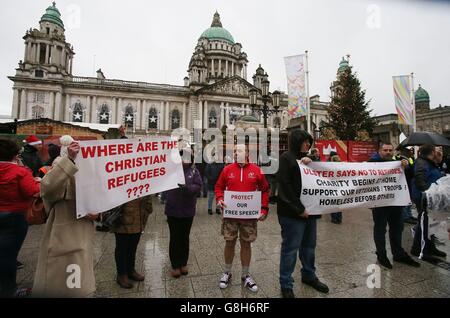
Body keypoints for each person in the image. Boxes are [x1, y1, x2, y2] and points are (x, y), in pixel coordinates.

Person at [33, 136, 98, 297]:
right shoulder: (60, 165)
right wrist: (68, 160)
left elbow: (97, 197)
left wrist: (98, 212)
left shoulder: (88, 167)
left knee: (77, 276)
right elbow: (47, 190)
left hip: (83, 230)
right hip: (63, 230)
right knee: (64, 278)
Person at [277, 129, 329, 298]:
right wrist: (299, 209)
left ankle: (309, 275)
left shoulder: (308, 159)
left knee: (309, 247)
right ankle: (286, 283)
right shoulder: (286, 158)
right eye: (305, 141)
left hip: (310, 213)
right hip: (292, 214)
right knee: (290, 249)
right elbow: (285, 187)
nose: (308, 144)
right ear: (297, 141)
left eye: (309, 142)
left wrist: (312, 160)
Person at [215, 144, 270, 293]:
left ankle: (245, 275)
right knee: (229, 242)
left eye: (238, 150)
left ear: (246, 153)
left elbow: (265, 189)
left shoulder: (256, 170)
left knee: (246, 244)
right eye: (234, 151)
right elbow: (218, 187)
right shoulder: (227, 169)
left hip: (249, 217)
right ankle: (227, 272)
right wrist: (220, 198)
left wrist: (264, 208)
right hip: (230, 215)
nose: (235, 153)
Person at [368, 142, 420, 269]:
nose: (388, 152)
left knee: (397, 229)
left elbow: (411, 175)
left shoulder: (399, 162)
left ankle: (398, 253)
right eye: (385, 150)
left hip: (396, 202)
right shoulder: (372, 163)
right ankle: (381, 254)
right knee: (380, 229)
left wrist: (407, 166)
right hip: (380, 203)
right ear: (379, 151)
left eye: (390, 150)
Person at [0, 138, 40, 298]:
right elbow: (33, 191)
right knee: (8, 255)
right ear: (15, 155)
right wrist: (38, 182)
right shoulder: (20, 172)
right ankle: (9, 290)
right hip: (14, 216)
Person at [165, 149, 202, 278]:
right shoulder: (171, 171)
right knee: (174, 238)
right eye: (181, 158)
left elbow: (198, 186)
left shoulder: (194, 171)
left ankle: (183, 263)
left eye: (186, 158)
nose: (184, 160)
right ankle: (175, 265)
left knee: (184, 238)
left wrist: (187, 188)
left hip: (187, 210)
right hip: (173, 210)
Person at [410, 144, 446, 260]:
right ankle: (419, 249)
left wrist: (439, 160)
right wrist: (429, 193)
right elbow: (420, 180)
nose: (438, 152)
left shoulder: (428, 162)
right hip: (424, 198)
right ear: (432, 152)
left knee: (430, 223)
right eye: (436, 151)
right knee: (424, 224)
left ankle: (430, 247)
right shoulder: (421, 163)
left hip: (430, 197)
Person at [112, 197, 153, 289]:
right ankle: (122, 274)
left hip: (139, 217)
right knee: (122, 248)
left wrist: (148, 205)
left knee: (132, 247)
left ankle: (130, 270)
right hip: (122, 218)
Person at [394, 147, 417, 225]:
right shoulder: (398, 159)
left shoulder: (409, 159)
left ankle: (409, 215)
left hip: (409, 182)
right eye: (409, 150)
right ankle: (405, 217)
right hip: (402, 182)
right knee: (405, 199)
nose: (411, 152)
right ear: (404, 151)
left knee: (409, 199)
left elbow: (412, 171)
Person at [330, 154, 343, 224]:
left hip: (333, 187)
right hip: (340, 187)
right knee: (339, 204)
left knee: (333, 203)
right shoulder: (342, 167)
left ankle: (334, 218)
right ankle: (339, 218)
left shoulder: (331, 168)